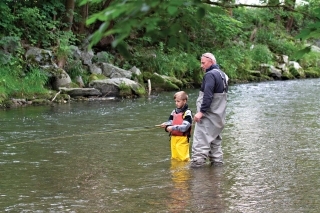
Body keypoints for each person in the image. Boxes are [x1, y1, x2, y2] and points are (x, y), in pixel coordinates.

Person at [190, 52, 228, 168]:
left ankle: (199, 177)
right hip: (219, 117)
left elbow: (208, 95)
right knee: (215, 145)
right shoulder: (223, 75)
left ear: (211, 61)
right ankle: (216, 176)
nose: (201, 66)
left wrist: (201, 112)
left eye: (203, 63)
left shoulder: (210, 75)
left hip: (208, 116)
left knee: (200, 144)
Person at [160, 91, 193, 161]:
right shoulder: (174, 112)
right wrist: (166, 124)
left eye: (178, 101)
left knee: (183, 158)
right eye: (175, 101)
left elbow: (185, 127)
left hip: (182, 139)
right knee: (174, 158)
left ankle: (184, 171)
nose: (176, 103)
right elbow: (171, 121)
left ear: (184, 101)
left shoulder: (187, 112)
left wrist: (172, 128)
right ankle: (175, 171)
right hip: (173, 138)